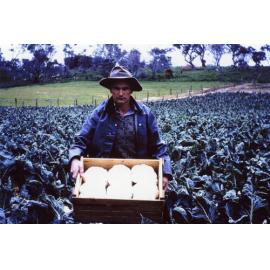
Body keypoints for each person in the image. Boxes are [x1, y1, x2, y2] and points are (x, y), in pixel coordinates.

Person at [69, 65, 172, 190]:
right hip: (104, 175)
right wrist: (75, 159)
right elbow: (81, 140)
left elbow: (158, 147)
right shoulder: (99, 113)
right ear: (111, 90)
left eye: (125, 88)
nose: (121, 93)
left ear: (131, 90)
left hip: (138, 175)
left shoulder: (145, 114)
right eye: (116, 88)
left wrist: (165, 173)